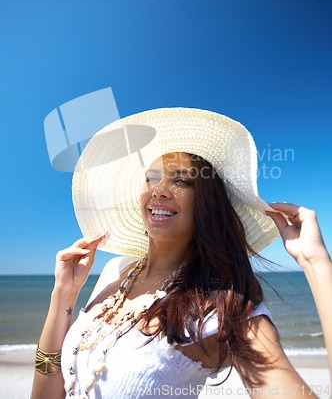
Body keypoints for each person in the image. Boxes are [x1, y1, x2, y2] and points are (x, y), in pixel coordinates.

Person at [31, 108, 332, 399]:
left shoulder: (222, 308)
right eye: (152, 178)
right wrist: (63, 296)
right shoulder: (115, 272)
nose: (158, 190)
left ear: (208, 204)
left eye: (181, 180)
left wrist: (316, 265)